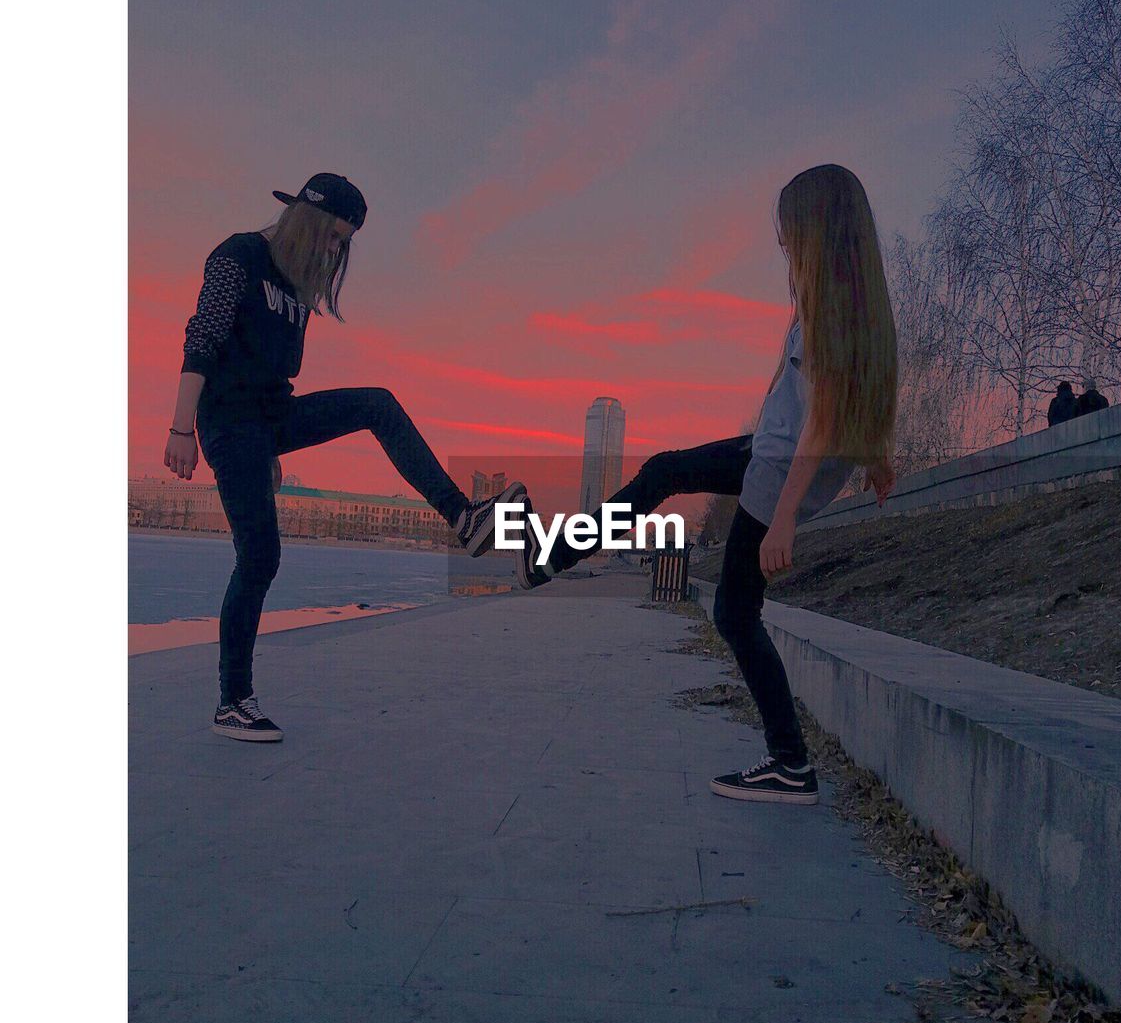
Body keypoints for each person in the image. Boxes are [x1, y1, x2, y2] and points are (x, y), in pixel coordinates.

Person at [512, 164, 897, 806]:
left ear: (817, 236)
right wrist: (878, 457)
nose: (780, 247)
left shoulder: (830, 318)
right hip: (765, 456)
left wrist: (782, 519)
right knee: (664, 470)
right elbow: (855, 405)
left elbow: (825, 422)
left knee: (735, 612)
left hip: (775, 474)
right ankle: (552, 557)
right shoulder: (860, 314)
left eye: (787, 235)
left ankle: (790, 764)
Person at [163, 173, 525, 742]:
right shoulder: (239, 255)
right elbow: (202, 339)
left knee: (376, 404)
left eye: (343, 244)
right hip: (228, 422)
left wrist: (275, 451)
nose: (336, 252)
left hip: (269, 421)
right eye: (333, 238)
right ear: (307, 222)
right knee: (259, 558)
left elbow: (274, 377)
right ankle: (232, 701)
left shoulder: (297, 289)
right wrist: (181, 428)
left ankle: (463, 517)